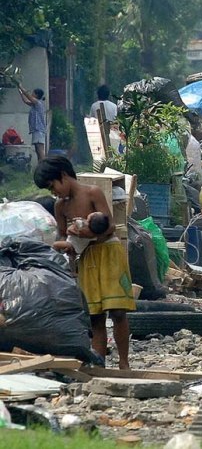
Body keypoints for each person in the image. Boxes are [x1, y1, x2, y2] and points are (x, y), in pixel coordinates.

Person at [34, 156, 134, 369]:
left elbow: (109, 226)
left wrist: (89, 232)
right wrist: (70, 241)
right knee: (95, 317)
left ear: (63, 176)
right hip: (86, 258)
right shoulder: (60, 206)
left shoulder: (92, 193)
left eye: (53, 187)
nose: (55, 193)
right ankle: (99, 365)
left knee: (117, 311)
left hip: (108, 252)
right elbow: (62, 236)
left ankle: (124, 363)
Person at [18, 85, 47, 161]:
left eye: (33, 93)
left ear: (37, 95)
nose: (31, 94)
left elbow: (28, 96)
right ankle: (40, 165)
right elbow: (25, 101)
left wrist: (21, 86)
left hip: (38, 130)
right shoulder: (34, 104)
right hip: (36, 130)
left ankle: (44, 166)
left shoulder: (37, 103)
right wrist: (20, 92)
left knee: (40, 149)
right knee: (37, 149)